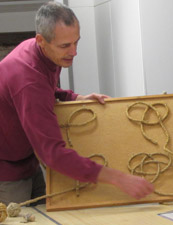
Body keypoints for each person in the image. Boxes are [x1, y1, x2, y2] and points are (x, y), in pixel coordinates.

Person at [0, 2, 153, 205]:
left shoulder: (40, 52)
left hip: (25, 159)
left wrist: (74, 98)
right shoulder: (27, 79)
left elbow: (44, 90)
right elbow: (52, 154)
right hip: (6, 170)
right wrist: (118, 178)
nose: (74, 52)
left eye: (76, 42)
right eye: (65, 46)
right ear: (41, 40)